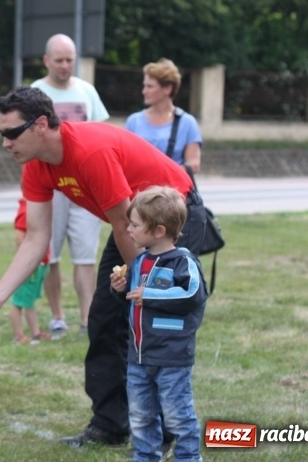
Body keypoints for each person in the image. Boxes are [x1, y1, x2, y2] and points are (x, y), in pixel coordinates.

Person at [0, 85, 206, 450]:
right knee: (105, 320)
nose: (5, 143)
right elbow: (36, 237)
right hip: (132, 225)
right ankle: (111, 425)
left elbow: (127, 225)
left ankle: (169, 431)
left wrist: (146, 288)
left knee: (157, 326)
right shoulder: (36, 166)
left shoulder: (89, 152)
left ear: (40, 125)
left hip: (170, 220)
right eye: (2, 134)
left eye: (11, 133)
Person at [110, 186, 207, 462]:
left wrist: (150, 295)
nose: (129, 229)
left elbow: (193, 294)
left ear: (159, 230)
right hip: (138, 357)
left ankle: (188, 457)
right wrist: (120, 289)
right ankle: (146, 456)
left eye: (136, 224)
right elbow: (132, 302)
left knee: (177, 413)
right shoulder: (139, 261)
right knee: (141, 413)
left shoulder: (183, 262)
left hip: (171, 356)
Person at [31, 33, 109, 338]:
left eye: (70, 60)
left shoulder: (86, 91)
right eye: (59, 60)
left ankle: (88, 319)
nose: (65, 66)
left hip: (84, 185)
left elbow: (100, 133)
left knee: (86, 255)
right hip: (50, 187)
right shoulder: (36, 92)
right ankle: (57, 316)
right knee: (50, 253)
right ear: (46, 60)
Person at [125, 58, 202, 173]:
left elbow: (194, 164)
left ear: (167, 88)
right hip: (139, 189)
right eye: (144, 86)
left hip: (173, 189)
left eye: (150, 86)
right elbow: (125, 160)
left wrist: (161, 174)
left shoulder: (187, 122)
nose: (144, 91)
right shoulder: (134, 121)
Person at [9, 197, 52, 344]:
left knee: (29, 301)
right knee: (18, 301)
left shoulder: (36, 207)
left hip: (39, 264)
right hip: (30, 266)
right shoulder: (27, 209)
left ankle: (35, 332)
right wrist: (30, 260)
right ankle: (18, 335)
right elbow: (19, 236)